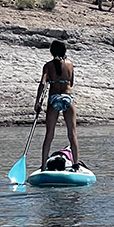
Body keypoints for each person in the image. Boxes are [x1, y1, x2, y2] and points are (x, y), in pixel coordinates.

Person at [34, 39, 80, 171]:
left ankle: (43, 166)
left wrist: (37, 102)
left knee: (49, 134)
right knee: (72, 134)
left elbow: (42, 84)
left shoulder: (48, 66)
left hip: (54, 98)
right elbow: (71, 83)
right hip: (68, 97)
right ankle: (75, 164)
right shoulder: (70, 64)